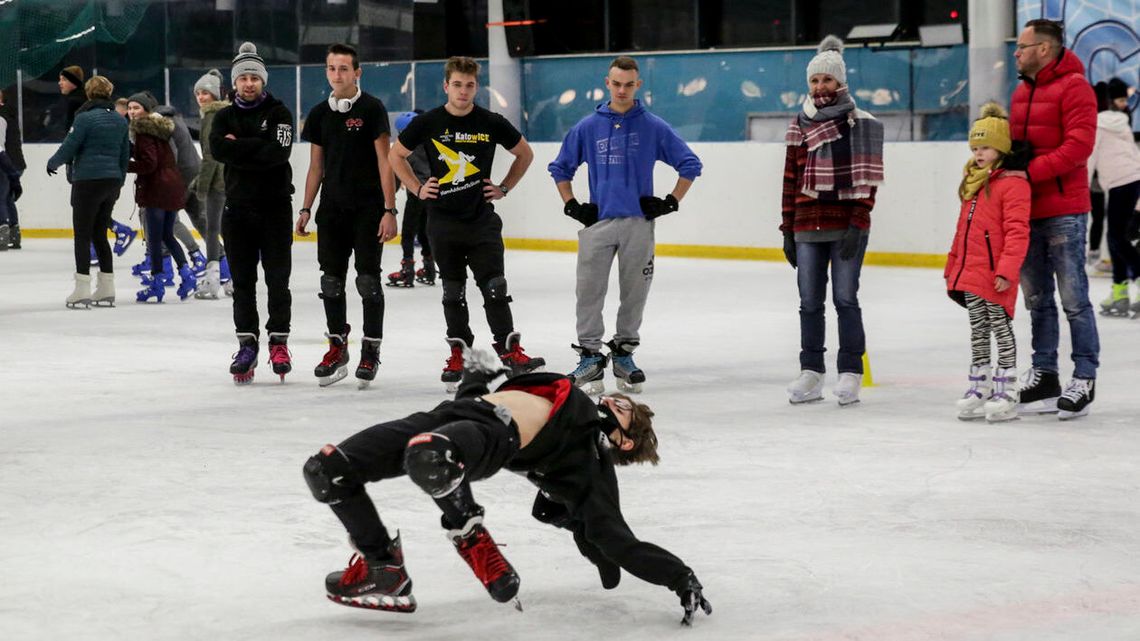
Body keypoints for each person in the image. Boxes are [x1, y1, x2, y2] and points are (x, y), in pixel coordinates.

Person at [302, 348, 712, 626]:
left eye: (622, 409)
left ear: (623, 441)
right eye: (616, 400)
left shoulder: (591, 456)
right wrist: (476, 375)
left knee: (430, 456)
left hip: (492, 435)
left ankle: (470, 534)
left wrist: (679, 576)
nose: (611, 401)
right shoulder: (558, 391)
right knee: (327, 470)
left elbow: (615, 538)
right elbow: (478, 398)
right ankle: (383, 568)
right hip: (451, 415)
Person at [548, 56, 702, 395]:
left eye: (628, 84)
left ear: (638, 85)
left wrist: (670, 201)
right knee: (589, 291)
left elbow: (690, 164)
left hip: (638, 225)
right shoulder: (588, 127)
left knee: (635, 292)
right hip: (598, 224)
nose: (622, 89)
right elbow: (560, 168)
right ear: (607, 83)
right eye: (616, 83)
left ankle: (623, 354)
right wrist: (572, 205)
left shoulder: (653, 126)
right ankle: (590, 356)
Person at [389, 56, 545, 390]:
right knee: (452, 291)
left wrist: (503, 187)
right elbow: (394, 155)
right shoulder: (429, 122)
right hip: (443, 223)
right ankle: (460, 352)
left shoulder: (490, 121)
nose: (463, 91)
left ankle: (509, 351)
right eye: (457, 85)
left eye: (470, 85)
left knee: (495, 287)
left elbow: (525, 154)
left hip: (481, 223)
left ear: (477, 87)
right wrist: (417, 188)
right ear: (447, 86)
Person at [780, 36, 884, 407]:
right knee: (809, 302)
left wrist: (858, 224)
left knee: (845, 298)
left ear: (840, 82)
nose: (820, 87)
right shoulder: (799, 124)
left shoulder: (861, 123)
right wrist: (787, 229)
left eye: (827, 80)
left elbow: (866, 181)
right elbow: (790, 179)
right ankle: (811, 372)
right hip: (807, 225)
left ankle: (850, 372)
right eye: (814, 81)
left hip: (846, 224)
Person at [1009, 19, 1100, 420]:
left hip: (1064, 209)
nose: (1016, 52)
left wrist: (1030, 172)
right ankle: (1045, 372)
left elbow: (1079, 146)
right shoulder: (1019, 91)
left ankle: (1084, 375)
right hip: (1026, 209)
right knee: (1037, 300)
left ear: (1044, 49)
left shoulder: (1076, 87)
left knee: (1074, 299)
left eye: (1023, 46)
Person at [298, 44, 398, 389]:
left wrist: (389, 209)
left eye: (343, 68)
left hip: (369, 210)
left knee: (368, 281)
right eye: (331, 68)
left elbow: (387, 162)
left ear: (357, 72)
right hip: (332, 211)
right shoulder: (318, 114)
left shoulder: (372, 109)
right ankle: (336, 348)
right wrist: (306, 207)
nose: (337, 75)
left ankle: (370, 350)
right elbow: (316, 167)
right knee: (331, 282)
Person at [209, 42, 295, 385]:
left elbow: (278, 153)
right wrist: (254, 146)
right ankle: (247, 344)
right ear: (234, 82)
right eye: (243, 78)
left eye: (254, 78)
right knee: (243, 283)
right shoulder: (223, 116)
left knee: (278, 281)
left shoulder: (280, 113)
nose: (248, 83)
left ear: (263, 81)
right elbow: (217, 149)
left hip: (275, 209)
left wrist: (237, 147)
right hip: (237, 211)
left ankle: (279, 342)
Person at [944, 103, 1031, 423]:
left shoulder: (1014, 184)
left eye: (986, 147)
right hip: (970, 272)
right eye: (975, 147)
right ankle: (980, 384)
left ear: (1002, 148)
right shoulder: (973, 182)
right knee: (978, 330)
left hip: (995, 274)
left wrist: (1007, 271)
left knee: (1001, 329)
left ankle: (1007, 387)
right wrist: (952, 266)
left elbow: (1017, 232)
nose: (979, 153)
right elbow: (961, 231)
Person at [46, 76, 129, 308]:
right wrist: (119, 181)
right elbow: (125, 155)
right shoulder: (120, 121)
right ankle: (106, 288)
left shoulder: (84, 118)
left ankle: (82, 288)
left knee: (83, 235)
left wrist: (53, 163)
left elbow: (70, 145)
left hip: (88, 181)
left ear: (90, 93)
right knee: (100, 234)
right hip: (111, 181)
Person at [126, 91, 197, 303]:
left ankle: (157, 284)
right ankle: (187, 274)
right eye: (129, 108)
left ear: (147, 110)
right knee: (167, 234)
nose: (131, 112)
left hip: (157, 188)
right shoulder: (160, 129)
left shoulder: (143, 132)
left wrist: (125, 165)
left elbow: (149, 164)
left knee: (155, 239)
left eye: (136, 108)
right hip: (172, 185)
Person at [1087, 80, 1140, 317]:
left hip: (1120, 184)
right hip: (1133, 180)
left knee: (1117, 238)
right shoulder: (1124, 123)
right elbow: (1133, 153)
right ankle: (1120, 292)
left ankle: (1136, 278)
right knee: (1117, 237)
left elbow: (1090, 157)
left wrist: (1082, 186)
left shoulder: (1096, 125)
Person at [191, 69, 233, 300]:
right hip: (231, 179)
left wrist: (201, 186)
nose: (201, 97)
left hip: (218, 182)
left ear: (215, 94)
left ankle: (213, 277)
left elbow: (209, 155)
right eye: (198, 93)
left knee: (212, 228)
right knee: (227, 228)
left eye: (205, 92)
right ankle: (233, 276)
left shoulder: (211, 116)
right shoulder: (229, 113)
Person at [386, 110, 436, 288]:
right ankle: (429, 268)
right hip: (432, 195)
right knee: (424, 233)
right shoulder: (430, 144)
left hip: (416, 196)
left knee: (408, 234)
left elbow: (399, 173)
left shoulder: (405, 150)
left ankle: (407, 270)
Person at [1, 87, 25, 250]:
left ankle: (2, 232)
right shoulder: (10, 115)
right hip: (16, 162)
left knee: (1, 197)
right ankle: (14, 234)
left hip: (6, 162)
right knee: (7, 197)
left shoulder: (1, 117)